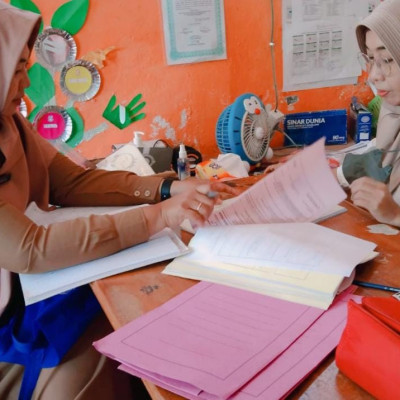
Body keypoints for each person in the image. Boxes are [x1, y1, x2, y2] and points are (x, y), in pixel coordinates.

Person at [0, 2, 238, 399]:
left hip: (33, 294)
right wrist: (155, 218)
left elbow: (72, 182)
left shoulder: (12, 126)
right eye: (17, 71)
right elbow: (29, 249)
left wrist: (165, 189)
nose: (25, 86)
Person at [337, 0, 400, 226]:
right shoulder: (393, 115)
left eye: (388, 59)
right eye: (371, 59)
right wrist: (333, 174)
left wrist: (395, 214)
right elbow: (378, 154)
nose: (374, 75)